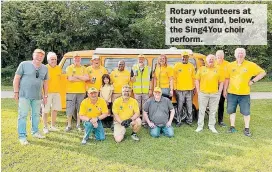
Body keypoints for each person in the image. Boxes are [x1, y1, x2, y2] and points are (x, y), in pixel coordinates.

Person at [224, 48, 266, 137]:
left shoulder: (250, 65)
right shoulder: (230, 65)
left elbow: (262, 72)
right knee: (231, 111)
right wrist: (225, 90)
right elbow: (227, 79)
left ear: (244, 54)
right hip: (232, 93)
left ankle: (246, 129)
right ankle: (232, 127)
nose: (240, 55)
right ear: (235, 55)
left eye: (242, 53)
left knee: (246, 112)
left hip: (244, 94)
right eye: (238, 53)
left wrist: (252, 81)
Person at [13, 49, 48, 145]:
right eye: (37, 55)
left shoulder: (45, 68)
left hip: (37, 96)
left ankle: (35, 132)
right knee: (23, 115)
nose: (39, 57)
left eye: (41, 56)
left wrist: (45, 95)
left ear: (43, 58)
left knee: (36, 115)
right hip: (24, 95)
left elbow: (45, 82)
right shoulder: (24, 64)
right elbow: (16, 78)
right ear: (33, 55)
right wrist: (16, 92)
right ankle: (22, 136)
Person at [195, 54, 224, 134]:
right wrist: (198, 91)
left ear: (214, 60)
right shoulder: (201, 69)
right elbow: (197, 80)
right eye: (209, 59)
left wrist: (219, 92)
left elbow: (221, 82)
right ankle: (200, 126)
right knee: (201, 110)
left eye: (212, 59)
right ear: (206, 60)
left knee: (213, 111)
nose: (211, 60)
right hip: (203, 93)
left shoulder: (218, 69)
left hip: (214, 94)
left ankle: (211, 126)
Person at [65, 53, 89, 132]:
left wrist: (76, 76)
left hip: (81, 91)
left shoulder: (84, 68)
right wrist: (81, 78)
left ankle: (78, 124)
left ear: (80, 59)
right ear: (73, 59)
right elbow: (70, 79)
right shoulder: (69, 68)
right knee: (69, 108)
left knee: (80, 109)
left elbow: (86, 78)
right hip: (71, 91)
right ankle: (69, 125)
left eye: (78, 58)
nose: (77, 59)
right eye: (75, 58)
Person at [173, 51, 195, 127]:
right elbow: (174, 78)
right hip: (179, 90)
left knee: (189, 106)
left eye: (186, 57)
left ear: (188, 58)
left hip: (189, 90)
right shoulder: (177, 65)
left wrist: (194, 88)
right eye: (183, 56)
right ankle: (178, 121)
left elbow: (193, 78)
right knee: (179, 106)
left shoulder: (191, 66)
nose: (184, 58)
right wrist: (175, 88)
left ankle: (189, 121)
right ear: (181, 57)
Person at [42, 52, 62, 134]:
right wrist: (43, 94)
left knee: (55, 109)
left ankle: (53, 126)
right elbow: (41, 81)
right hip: (47, 93)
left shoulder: (59, 68)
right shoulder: (44, 68)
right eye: (52, 59)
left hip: (57, 93)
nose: (54, 61)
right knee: (45, 110)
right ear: (48, 60)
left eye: (55, 59)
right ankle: (45, 127)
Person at [131, 54, 153, 127]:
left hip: (146, 91)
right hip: (137, 91)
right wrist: (134, 75)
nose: (141, 60)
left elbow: (150, 80)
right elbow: (132, 80)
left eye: (142, 59)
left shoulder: (149, 68)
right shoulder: (134, 68)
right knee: (137, 108)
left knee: (145, 108)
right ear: (138, 60)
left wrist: (150, 89)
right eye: (139, 59)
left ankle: (144, 122)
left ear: (144, 60)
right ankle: (137, 121)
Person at [215, 50, 229, 127]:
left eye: (221, 55)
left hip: (223, 86)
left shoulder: (227, 64)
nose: (219, 57)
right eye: (218, 55)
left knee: (221, 104)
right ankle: (212, 120)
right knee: (212, 104)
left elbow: (228, 78)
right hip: (213, 86)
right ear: (215, 56)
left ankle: (220, 121)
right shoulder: (212, 63)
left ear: (223, 56)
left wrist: (225, 90)